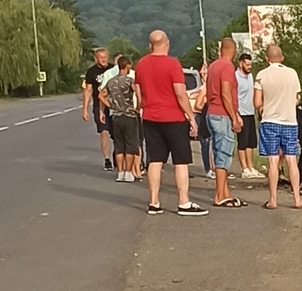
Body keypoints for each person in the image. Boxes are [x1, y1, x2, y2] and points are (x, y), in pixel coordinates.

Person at [133, 31, 208, 216]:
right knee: (181, 161)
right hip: (173, 118)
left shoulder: (141, 64)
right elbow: (180, 94)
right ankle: (183, 202)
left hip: (150, 117)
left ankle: (154, 202)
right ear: (167, 43)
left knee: (155, 160)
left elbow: (138, 90)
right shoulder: (173, 64)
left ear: (150, 45)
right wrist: (191, 118)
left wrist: (144, 106)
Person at [254, 45, 302, 210]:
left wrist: (264, 108)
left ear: (266, 58)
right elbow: (297, 97)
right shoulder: (292, 73)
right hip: (290, 121)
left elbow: (257, 102)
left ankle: (273, 200)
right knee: (291, 159)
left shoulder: (262, 75)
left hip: (270, 121)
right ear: (282, 58)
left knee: (273, 160)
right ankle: (297, 199)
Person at [205, 39, 245, 207]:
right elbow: (226, 93)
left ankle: (226, 192)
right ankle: (219, 195)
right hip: (222, 114)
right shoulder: (227, 67)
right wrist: (234, 116)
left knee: (218, 151)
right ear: (234, 51)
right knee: (224, 155)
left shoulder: (213, 66)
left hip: (211, 112)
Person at [99, 55, 142, 183]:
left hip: (115, 116)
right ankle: (128, 172)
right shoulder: (130, 81)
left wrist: (110, 105)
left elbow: (101, 95)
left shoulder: (111, 81)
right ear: (127, 65)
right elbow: (139, 95)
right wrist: (137, 108)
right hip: (129, 115)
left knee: (119, 145)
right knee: (130, 145)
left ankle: (120, 172)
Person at [82, 48, 116, 171]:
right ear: (95, 58)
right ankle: (107, 159)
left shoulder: (114, 69)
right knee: (104, 132)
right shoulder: (91, 72)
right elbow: (88, 90)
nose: (103, 60)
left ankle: (118, 156)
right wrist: (85, 109)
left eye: (105, 57)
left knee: (116, 134)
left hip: (113, 104)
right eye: (100, 57)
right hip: (98, 105)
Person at [235, 53, 261, 179]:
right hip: (241, 112)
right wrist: (236, 114)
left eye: (251, 64)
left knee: (251, 142)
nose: (249, 67)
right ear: (241, 63)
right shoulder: (235, 77)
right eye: (247, 64)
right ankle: (244, 168)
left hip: (251, 112)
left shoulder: (250, 76)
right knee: (242, 142)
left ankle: (251, 167)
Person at [192, 62, 214, 180]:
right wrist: (208, 107)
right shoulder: (204, 89)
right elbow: (197, 105)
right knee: (206, 144)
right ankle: (208, 169)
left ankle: (213, 168)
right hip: (202, 117)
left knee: (211, 144)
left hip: (209, 116)